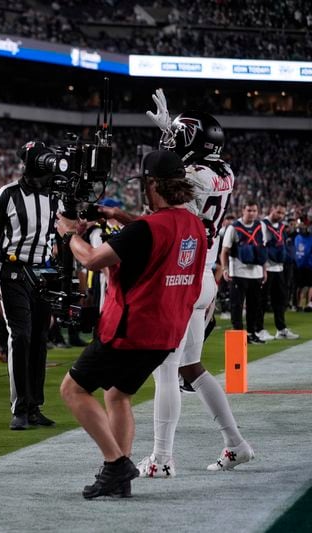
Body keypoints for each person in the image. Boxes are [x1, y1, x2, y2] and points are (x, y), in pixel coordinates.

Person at [57, 149, 206, 499]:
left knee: (73, 390)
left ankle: (116, 463)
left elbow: (93, 260)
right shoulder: (193, 226)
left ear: (152, 185)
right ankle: (119, 479)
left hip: (130, 329)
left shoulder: (146, 229)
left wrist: (68, 234)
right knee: (118, 394)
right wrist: (117, 215)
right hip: (166, 333)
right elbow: (154, 232)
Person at [119, 99, 254, 477]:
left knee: (167, 370)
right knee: (192, 368)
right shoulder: (224, 170)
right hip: (203, 277)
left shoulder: (195, 175)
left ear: (191, 139)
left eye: (178, 135)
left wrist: (166, 145)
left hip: (183, 277)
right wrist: (170, 138)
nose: (171, 141)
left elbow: (168, 181)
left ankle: (162, 459)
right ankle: (236, 444)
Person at [0, 140, 59, 431]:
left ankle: (35, 405)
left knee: (40, 338)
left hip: (43, 271)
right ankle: (19, 407)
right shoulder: (9, 194)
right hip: (13, 271)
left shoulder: (54, 196)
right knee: (21, 336)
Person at [220, 199, 267, 344]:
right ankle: (239, 335)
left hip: (256, 273)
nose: (252, 213)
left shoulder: (261, 226)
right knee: (237, 305)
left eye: (254, 210)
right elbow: (225, 251)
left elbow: (262, 249)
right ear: (243, 211)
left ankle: (252, 333)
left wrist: (264, 270)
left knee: (254, 305)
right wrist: (225, 268)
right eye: (249, 210)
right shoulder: (233, 227)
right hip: (238, 273)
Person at [257, 203, 299, 340]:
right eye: (278, 212)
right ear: (271, 209)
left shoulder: (281, 226)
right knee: (262, 300)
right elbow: (261, 246)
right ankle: (259, 329)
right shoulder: (263, 224)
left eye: (282, 213)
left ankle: (281, 329)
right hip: (267, 268)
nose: (280, 216)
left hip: (279, 267)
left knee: (280, 300)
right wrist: (263, 267)